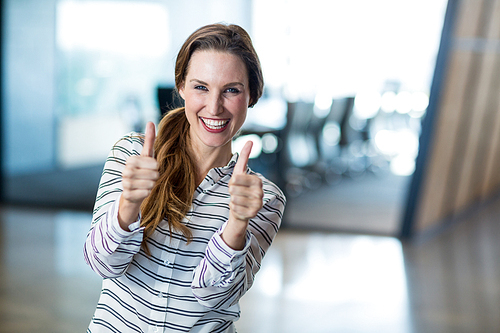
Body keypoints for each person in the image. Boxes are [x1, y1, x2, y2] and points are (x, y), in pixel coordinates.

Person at [84, 23, 286, 333]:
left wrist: (236, 225)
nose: (214, 106)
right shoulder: (132, 155)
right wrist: (129, 204)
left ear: (252, 95)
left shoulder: (262, 198)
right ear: (181, 86)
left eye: (231, 90)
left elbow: (215, 297)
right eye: (201, 87)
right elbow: (102, 264)